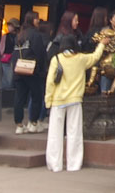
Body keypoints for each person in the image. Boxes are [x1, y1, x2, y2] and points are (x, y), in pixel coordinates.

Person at [43, 35, 105, 172]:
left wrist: (48, 100)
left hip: (58, 100)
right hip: (75, 100)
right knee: (74, 132)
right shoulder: (80, 59)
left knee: (55, 133)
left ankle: (55, 164)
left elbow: (50, 82)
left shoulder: (56, 59)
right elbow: (95, 57)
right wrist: (101, 44)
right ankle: (74, 164)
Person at [12, 10, 47, 134]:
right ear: (32, 20)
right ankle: (33, 122)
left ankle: (19, 125)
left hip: (19, 69)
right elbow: (40, 53)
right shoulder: (35, 35)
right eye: (37, 18)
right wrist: (42, 69)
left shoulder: (19, 35)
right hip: (32, 70)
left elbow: (14, 54)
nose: (38, 21)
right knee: (36, 96)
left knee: (19, 98)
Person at [0, 17, 20, 90]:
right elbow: (1, 48)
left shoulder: (20, 36)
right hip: (5, 59)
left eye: (10, 25)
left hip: (15, 59)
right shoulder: (5, 36)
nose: (9, 27)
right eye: (8, 25)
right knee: (5, 76)